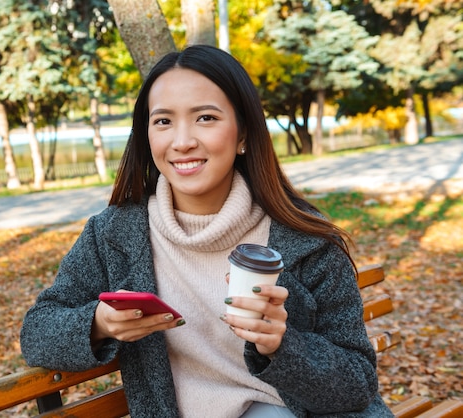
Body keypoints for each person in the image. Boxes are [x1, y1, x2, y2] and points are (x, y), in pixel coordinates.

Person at [20, 44, 393, 418]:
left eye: (205, 118)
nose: (182, 141)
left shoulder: (305, 240)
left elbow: (357, 384)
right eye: (163, 121)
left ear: (244, 134)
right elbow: (37, 333)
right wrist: (100, 323)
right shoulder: (115, 236)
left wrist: (282, 345)